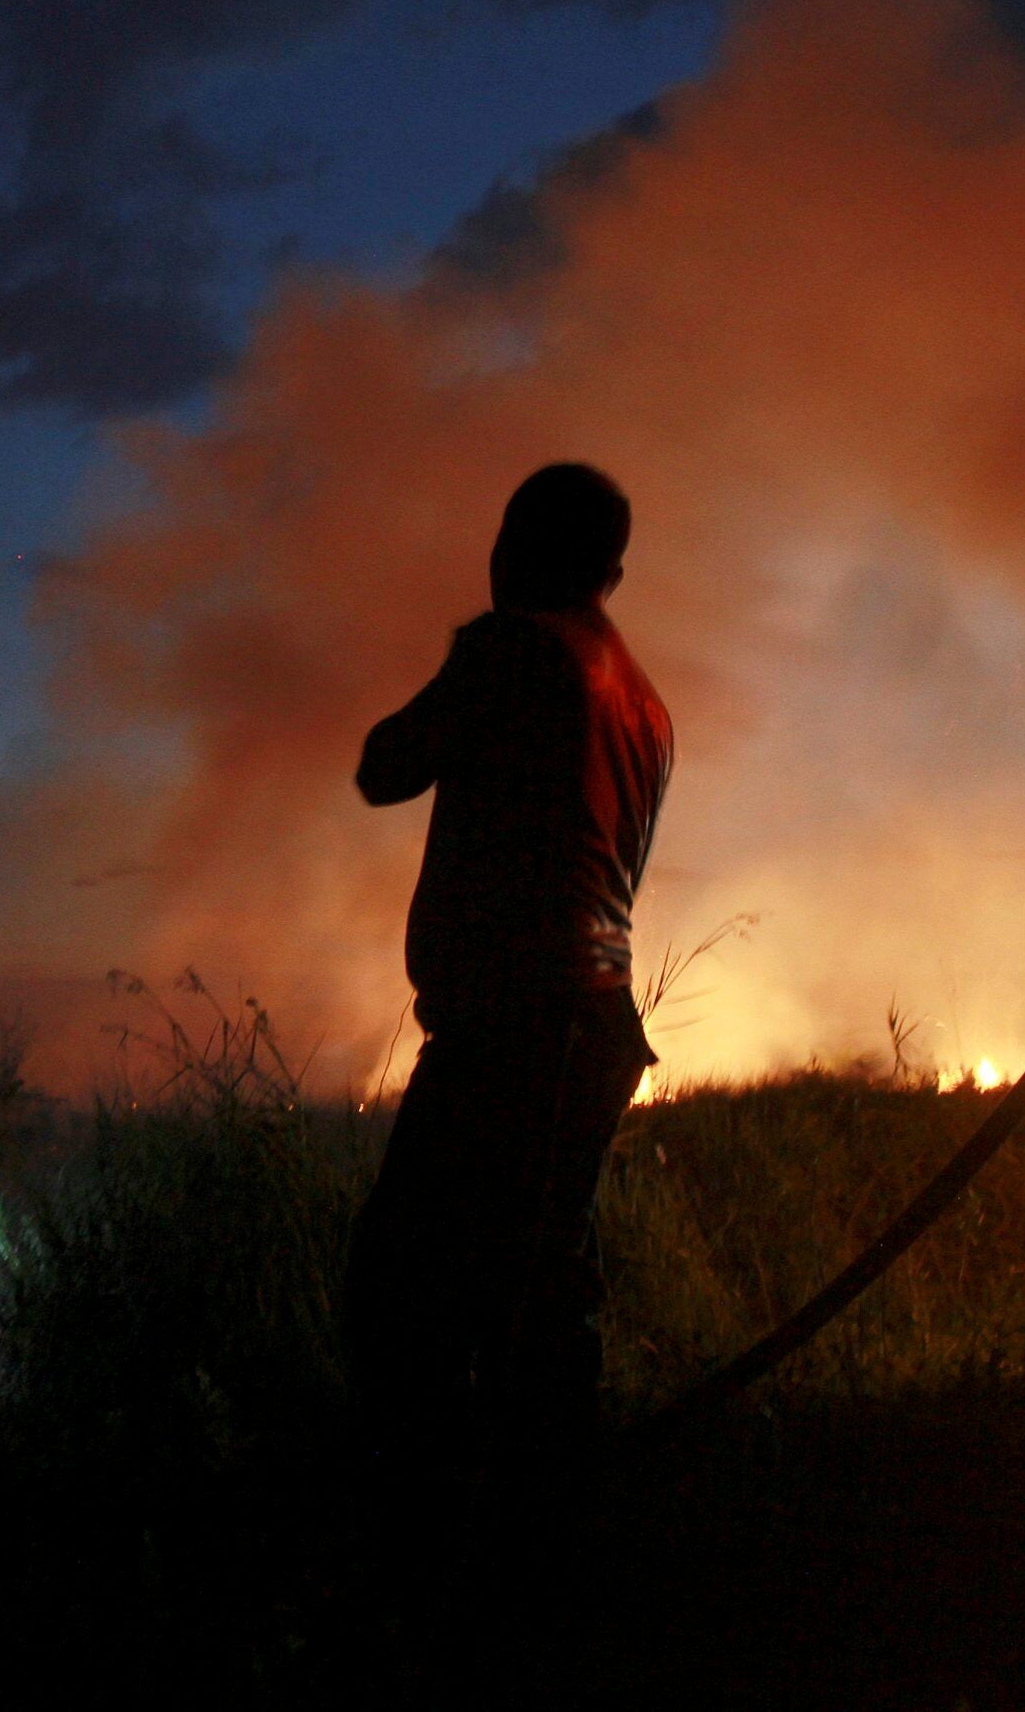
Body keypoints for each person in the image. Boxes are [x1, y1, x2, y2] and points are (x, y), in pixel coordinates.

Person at [344, 461, 673, 1472]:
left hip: (518, 1026)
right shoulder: (645, 704)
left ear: (524, 550)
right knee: (532, 1288)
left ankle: (463, 1541)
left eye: (503, 538)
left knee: (402, 1290)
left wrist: (466, 653)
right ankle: (544, 1531)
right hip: (587, 1024)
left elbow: (383, 764)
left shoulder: (513, 650)